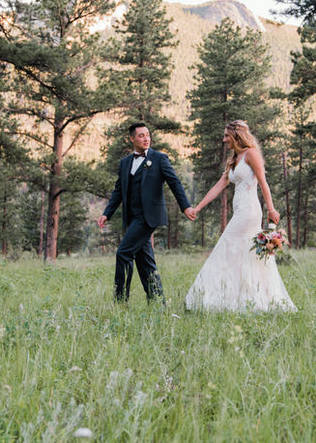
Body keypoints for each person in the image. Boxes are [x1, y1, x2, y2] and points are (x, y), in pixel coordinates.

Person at [185, 120, 296, 312]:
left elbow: (263, 183)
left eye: (227, 135)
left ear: (237, 135)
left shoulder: (251, 154)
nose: (224, 139)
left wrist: (271, 209)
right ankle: (242, 299)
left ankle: (216, 297)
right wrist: (198, 207)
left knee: (225, 248)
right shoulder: (234, 159)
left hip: (249, 211)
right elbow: (219, 186)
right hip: (239, 210)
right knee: (243, 254)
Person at [98, 123, 196, 303]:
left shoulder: (159, 158)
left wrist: (185, 206)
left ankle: (120, 301)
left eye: (148, 135)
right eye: (141, 135)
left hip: (148, 216)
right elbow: (118, 190)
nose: (146, 138)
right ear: (132, 138)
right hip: (132, 217)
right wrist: (107, 213)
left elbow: (174, 182)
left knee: (123, 253)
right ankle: (158, 302)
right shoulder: (125, 162)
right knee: (145, 262)